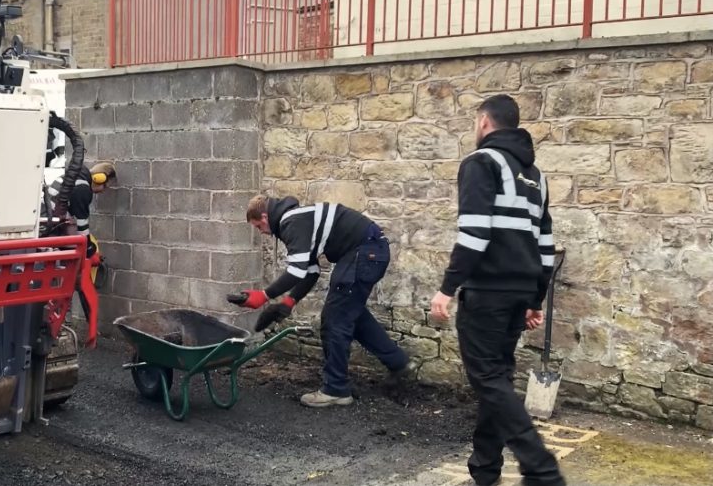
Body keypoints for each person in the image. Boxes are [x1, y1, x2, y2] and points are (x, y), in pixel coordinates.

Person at [429, 94, 565, 486]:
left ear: (485, 122)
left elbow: (474, 233)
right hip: (519, 291)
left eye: (476, 123)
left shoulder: (481, 163)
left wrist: (446, 288)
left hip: (486, 292)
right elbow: (545, 244)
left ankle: (541, 469)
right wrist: (535, 298)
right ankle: (485, 471)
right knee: (497, 381)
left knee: (488, 379)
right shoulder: (536, 176)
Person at [229, 195, 410, 408]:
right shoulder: (299, 220)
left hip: (364, 253)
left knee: (334, 320)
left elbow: (295, 272)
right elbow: (311, 272)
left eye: (259, 226)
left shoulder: (291, 222)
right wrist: (289, 302)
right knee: (351, 313)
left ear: (265, 216)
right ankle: (399, 362)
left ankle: (336, 389)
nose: (262, 232)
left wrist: (264, 295)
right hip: (369, 251)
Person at [44, 161, 116, 259]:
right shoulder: (82, 188)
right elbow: (82, 222)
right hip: (47, 227)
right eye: (105, 186)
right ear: (98, 179)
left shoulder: (75, 178)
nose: (103, 191)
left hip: (48, 222)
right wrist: (88, 247)